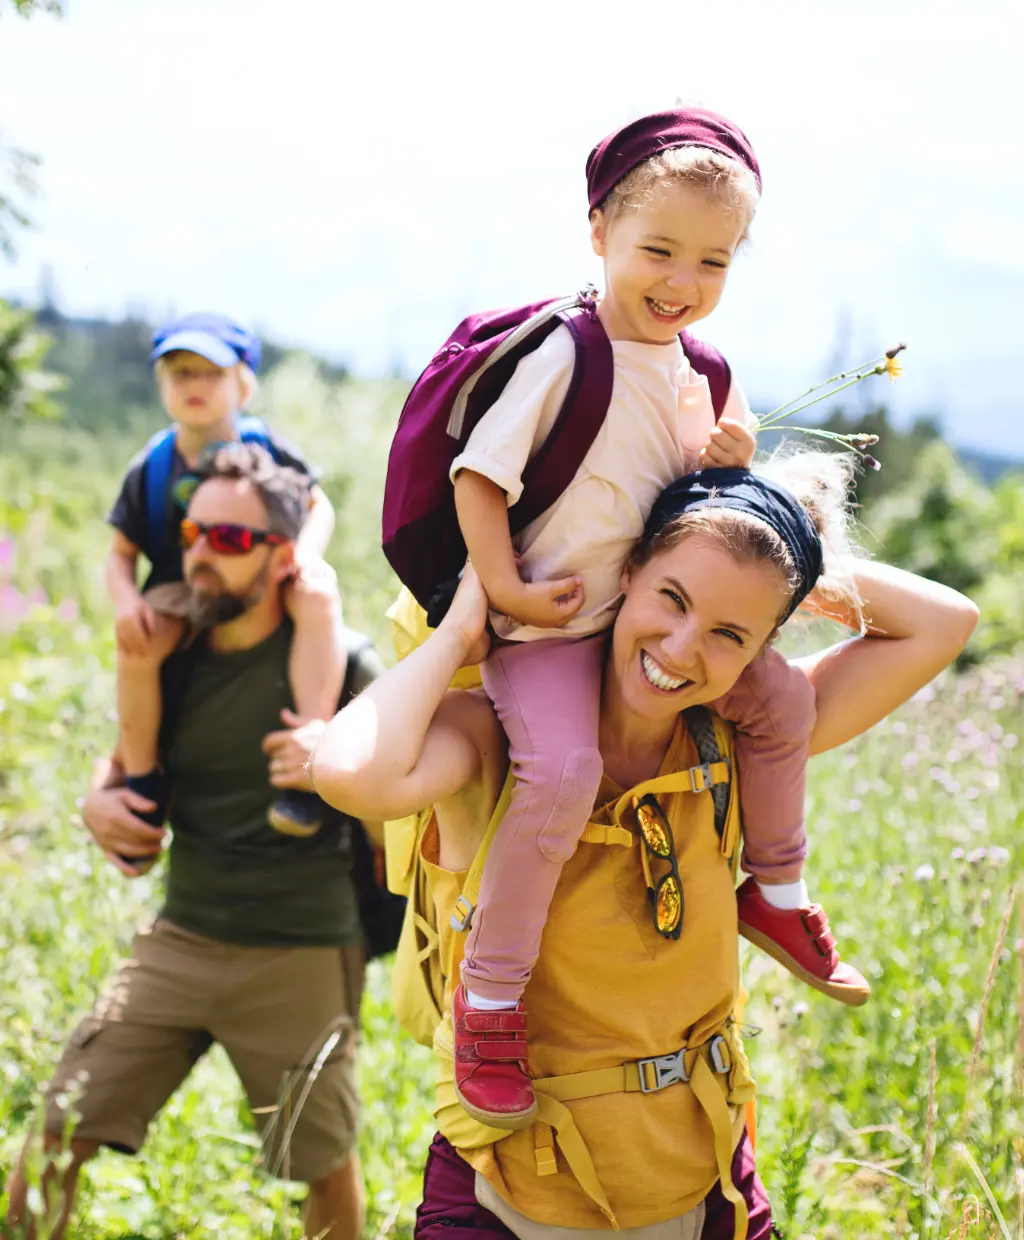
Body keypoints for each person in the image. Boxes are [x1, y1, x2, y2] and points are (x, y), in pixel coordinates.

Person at [311, 452, 979, 1237]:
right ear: (623, 571)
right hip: (507, 1194)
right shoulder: (496, 741)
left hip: (706, 1186)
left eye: (731, 633)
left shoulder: (740, 741)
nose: (683, 649)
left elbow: (945, 622)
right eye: (673, 596)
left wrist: (773, 543)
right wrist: (461, 628)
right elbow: (350, 773)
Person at [426, 107, 865, 1128]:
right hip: (547, 627)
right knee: (562, 774)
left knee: (781, 706)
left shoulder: (698, 366)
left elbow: (727, 451)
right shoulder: (563, 355)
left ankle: (777, 889)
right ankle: (489, 999)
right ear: (598, 234)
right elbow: (478, 479)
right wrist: (506, 592)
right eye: (657, 250)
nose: (681, 280)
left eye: (711, 261)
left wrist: (730, 444)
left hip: (644, 624)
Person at [6, 444, 381, 1240]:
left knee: (324, 1164)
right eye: (193, 532)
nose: (201, 554)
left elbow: (405, 803)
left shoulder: (344, 665)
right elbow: (121, 767)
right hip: (181, 938)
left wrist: (339, 772)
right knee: (52, 1136)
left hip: (302, 948)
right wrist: (94, 806)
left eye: (231, 540)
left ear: (284, 558)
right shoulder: (173, 655)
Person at [106, 311, 345, 841]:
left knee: (318, 597)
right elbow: (120, 553)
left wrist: (305, 554)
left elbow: (317, 504)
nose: (195, 386)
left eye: (210, 373)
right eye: (180, 373)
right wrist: (127, 603)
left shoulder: (268, 448)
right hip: (181, 585)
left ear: (243, 384)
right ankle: (143, 778)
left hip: (263, 575)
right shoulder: (152, 465)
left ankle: (306, 755)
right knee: (138, 647)